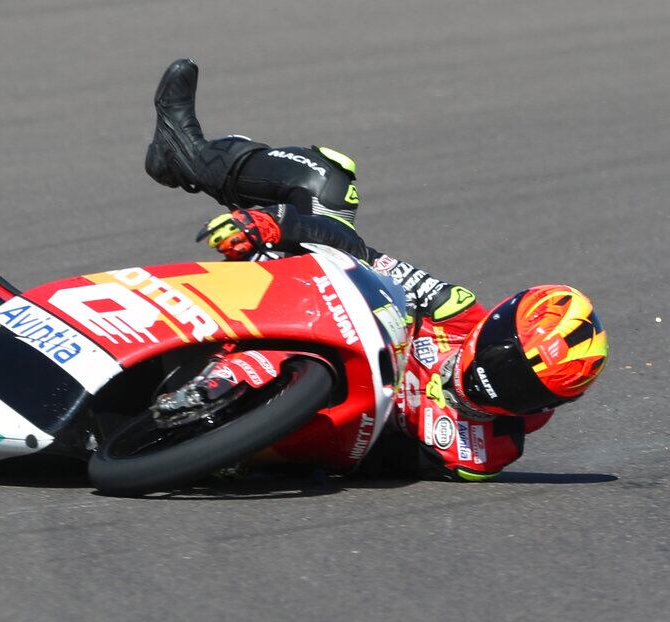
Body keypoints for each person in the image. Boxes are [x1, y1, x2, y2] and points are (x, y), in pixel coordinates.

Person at [145, 59, 608, 481]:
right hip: (311, 310)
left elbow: (376, 475)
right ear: (497, 324)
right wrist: (274, 225)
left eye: (522, 388)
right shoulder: (456, 313)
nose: (495, 381)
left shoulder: (485, 454)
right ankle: (185, 152)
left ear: (549, 405)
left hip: (325, 416)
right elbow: (363, 255)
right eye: (504, 361)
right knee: (330, 178)